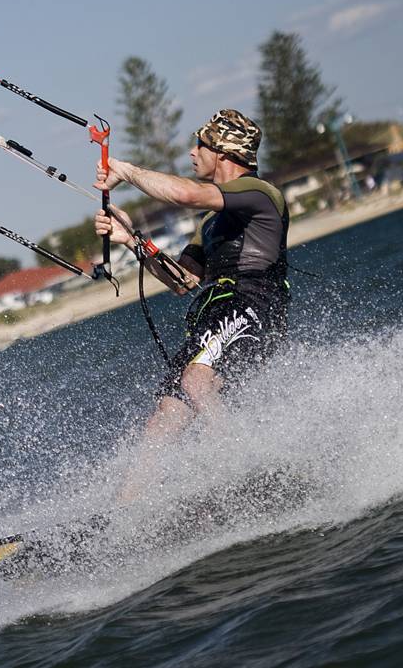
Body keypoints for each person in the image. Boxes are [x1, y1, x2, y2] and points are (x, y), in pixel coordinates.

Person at [94, 109, 290, 448]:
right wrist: (130, 238)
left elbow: (185, 195)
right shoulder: (211, 223)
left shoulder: (259, 193)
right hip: (217, 311)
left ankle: (242, 459)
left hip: (255, 303)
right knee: (166, 413)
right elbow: (182, 281)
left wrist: (126, 171)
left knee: (196, 381)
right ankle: (135, 486)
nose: (192, 152)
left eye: (200, 145)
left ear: (223, 152)